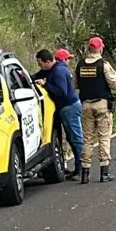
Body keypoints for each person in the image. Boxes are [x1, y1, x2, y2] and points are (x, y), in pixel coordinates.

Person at [74, 36, 116, 183]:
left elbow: (75, 84)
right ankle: (104, 172)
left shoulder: (80, 65)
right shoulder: (103, 65)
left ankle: (85, 173)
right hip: (101, 105)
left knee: (87, 138)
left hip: (86, 105)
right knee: (104, 137)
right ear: (100, 48)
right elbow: (115, 85)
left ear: (89, 48)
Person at [32, 49, 84, 180]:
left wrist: (46, 85)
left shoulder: (59, 71)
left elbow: (62, 91)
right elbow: (35, 76)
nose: (40, 66)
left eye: (41, 63)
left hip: (69, 106)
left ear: (48, 61)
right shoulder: (49, 70)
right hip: (64, 108)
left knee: (76, 138)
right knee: (71, 139)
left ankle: (83, 168)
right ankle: (79, 168)